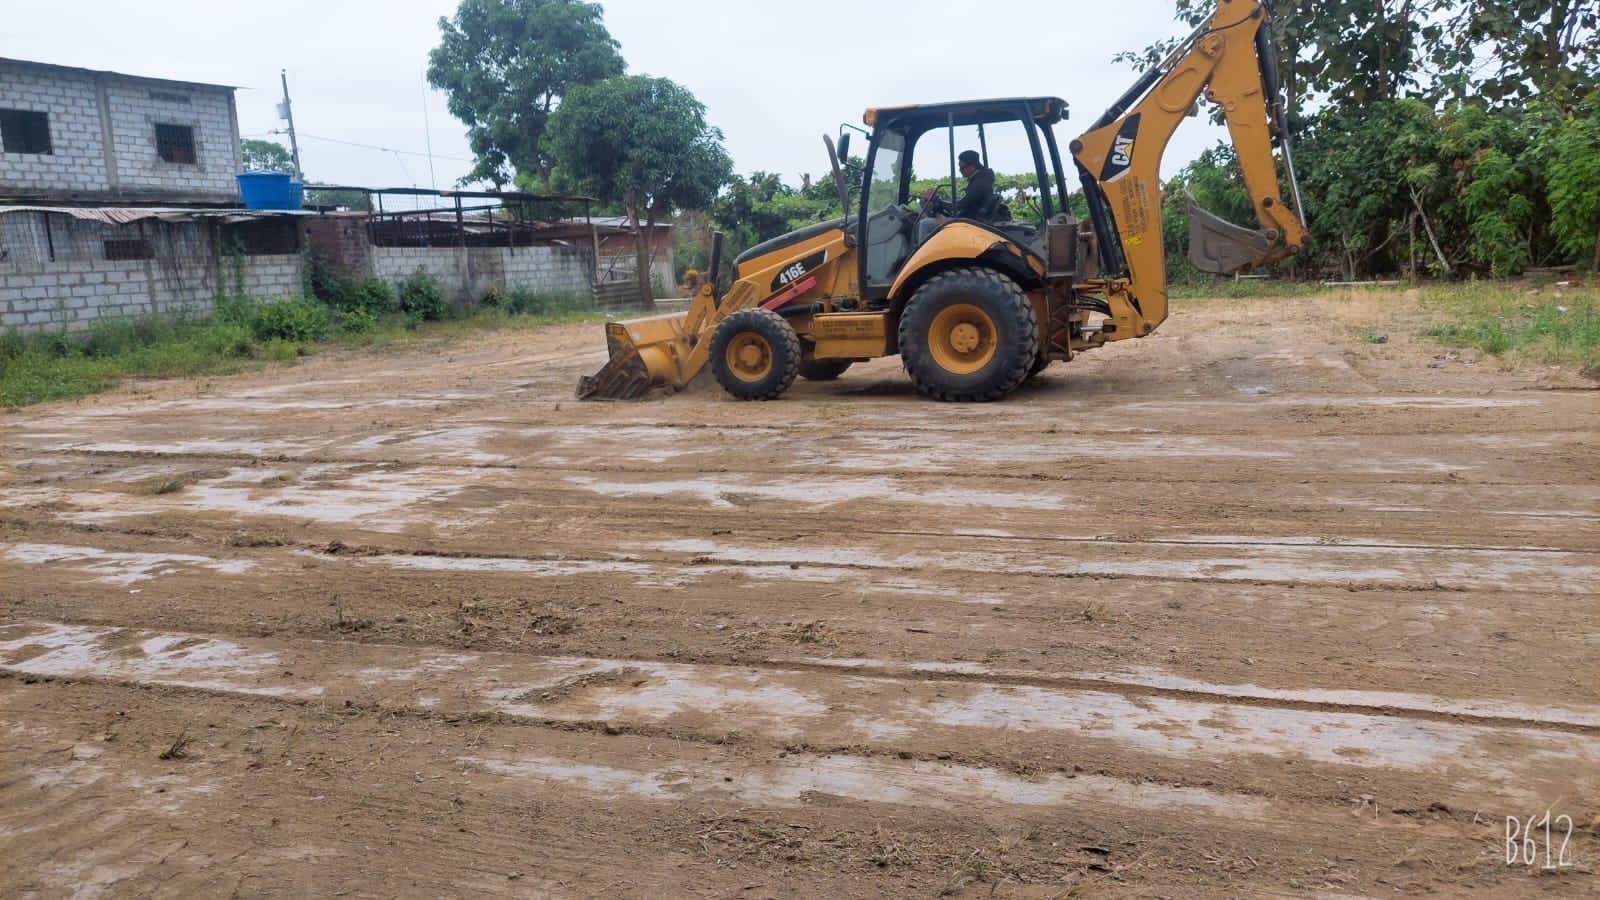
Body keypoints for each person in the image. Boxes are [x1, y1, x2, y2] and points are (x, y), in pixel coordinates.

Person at [917, 149, 995, 243]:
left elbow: (962, 205)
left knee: (924, 224)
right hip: (968, 218)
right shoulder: (981, 179)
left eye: (963, 168)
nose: (960, 170)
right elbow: (966, 202)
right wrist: (940, 202)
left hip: (969, 222)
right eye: (959, 167)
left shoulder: (979, 183)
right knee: (926, 214)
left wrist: (938, 202)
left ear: (972, 166)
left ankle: (922, 250)